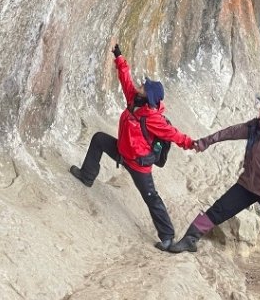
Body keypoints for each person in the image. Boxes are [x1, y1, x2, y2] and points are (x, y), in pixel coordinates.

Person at [167, 93, 260, 283]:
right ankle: (189, 239)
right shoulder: (254, 128)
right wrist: (204, 142)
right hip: (247, 185)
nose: (259, 109)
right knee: (219, 209)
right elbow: (229, 132)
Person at [69, 42, 196, 251]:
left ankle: (167, 236)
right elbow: (125, 79)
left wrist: (193, 144)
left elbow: (175, 136)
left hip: (138, 164)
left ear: (149, 96)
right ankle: (87, 175)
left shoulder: (154, 118)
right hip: (122, 152)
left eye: (144, 86)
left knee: (151, 197)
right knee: (99, 139)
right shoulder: (135, 100)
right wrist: (119, 57)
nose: (140, 85)